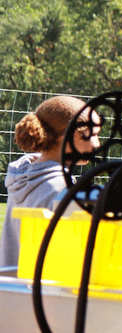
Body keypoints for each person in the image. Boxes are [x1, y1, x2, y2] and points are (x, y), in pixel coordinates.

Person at [0, 96, 100, 267]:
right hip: (44, 291)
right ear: (69, 136)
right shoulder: (60, 188)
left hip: (14, 287)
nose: (97, 144)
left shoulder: (23, 176)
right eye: (93, 135)